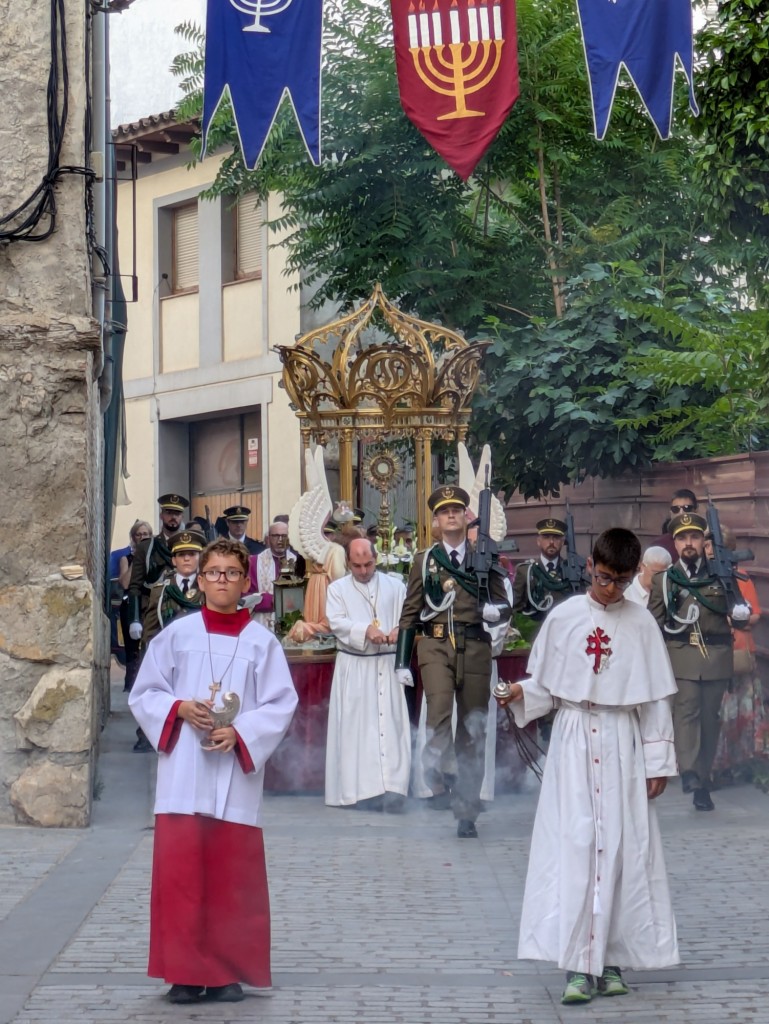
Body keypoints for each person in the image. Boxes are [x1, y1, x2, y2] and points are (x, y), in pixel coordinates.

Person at [496, 528, 679, 1005]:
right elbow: (549, 685)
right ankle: (578, 964)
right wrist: (521, 694)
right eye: (602, 578)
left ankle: (613, 958)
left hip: (622, 740)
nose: (610, 590)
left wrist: (657, 760)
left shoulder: (641, 625)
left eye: (620, 582)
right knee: (575, 845)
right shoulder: (565, 617)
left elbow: (655, 701)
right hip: (575, 739)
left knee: (621, 850)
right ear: (590, 567)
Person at [128, 538, 298, 1006]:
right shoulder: (177, 636)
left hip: (234, 781)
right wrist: (179, 706)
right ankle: (184, 973)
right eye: (213, 572)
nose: (221, 580)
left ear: (246, 582)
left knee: (229, 879)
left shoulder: (262, 643)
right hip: (183, 774)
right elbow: (144, 693)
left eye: (231, 573)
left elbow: (281, 702)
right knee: (182, 878)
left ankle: (226, 973)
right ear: (200, 580)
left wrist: (240, 734)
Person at [396, 485, 511, 839]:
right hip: (435, 644)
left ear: (466, 518)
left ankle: (467, 812)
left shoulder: (485, 557)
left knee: (473, 729)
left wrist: (495, 610)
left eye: (457, 510)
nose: (450, 515)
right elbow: (410, 613)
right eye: (444, 511)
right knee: (439, 711)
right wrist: (402, 661)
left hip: (475, 644)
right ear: (434, 521)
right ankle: (442, 771)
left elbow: (505, 604)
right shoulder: (424, 560)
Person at [648, 512, 751, 811]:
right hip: (681, 655)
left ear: (703, 541)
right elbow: (653, 622)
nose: (688, 543)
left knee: (709, 720)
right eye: (682, 538)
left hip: (716, 655)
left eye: (693, 537)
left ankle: (702, 782)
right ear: (675, 543)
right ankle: (690, 772)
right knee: (687, 711)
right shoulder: (665, 580)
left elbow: (739, 615)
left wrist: (741, 616)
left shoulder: (721, 572)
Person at [324, 538, 410, 810]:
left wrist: (399, 630)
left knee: (391, 726)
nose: (363, 571)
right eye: (357, 566)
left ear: (377, 559)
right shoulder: (337, 589)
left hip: (387, 662)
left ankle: (393, 789)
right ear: (348, 563)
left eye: (368, 564)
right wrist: (364, 630)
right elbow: (336, 622)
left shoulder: (396, 586)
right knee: (357, 730)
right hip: (355, 666)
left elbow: (409, 617)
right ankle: (358, 791)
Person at [706, 529, 767, 781]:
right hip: (711, 655)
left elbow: (754, 614)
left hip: (739, 652)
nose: (706, 549)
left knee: (737, 712)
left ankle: (734, 764)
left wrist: (734, 621)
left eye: (711, 545)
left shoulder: (741, 578)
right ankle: (713, 766)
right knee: (716, 712)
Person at [126, 494, 189, 645]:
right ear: (161, 515)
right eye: (169, 513)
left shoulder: (190, 548)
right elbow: (135, 586)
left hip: (183, 610)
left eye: (177, 513)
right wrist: (135, 619)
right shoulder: (146, 547)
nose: (173, 517)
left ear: (182, 516)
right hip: (152, 612)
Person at [513, 518, 583, 636]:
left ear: (562, 541)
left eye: (556, 538)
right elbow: (516, 608)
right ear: (538, 541)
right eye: (546, 537)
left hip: (565, 633)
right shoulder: (526, 571)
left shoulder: (572, 572)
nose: (551, 542)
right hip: (535, 634)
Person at [142, 530, 206, 644]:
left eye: (192, 554)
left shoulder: (207, 588)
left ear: (200, 558)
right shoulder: (160, 591)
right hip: (169, 654)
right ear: (174, 560)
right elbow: (150, 633)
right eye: (181, 554)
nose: (186, 559)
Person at [246, 520, 306, 628]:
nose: (280, 540)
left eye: (284, 536)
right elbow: (245, 598)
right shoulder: (254, 562)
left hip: (293, 623)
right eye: (276, 536)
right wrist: (271, 601)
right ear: (268, 539)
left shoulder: (299, 562)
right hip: (262, 625)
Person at [118, 520, 153, 690]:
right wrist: (137, 558)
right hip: (131, 604)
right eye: (138, 534)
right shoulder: (126, 558)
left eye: (145, 534)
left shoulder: (154, 555)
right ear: (133, 537)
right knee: (132, 646)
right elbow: (125, 583)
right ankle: (131, 684)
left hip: (149, 603)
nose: (142, 537)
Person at [651, 489, 699, 561]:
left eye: (687, 508)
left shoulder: (706, 542)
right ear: (671, 513)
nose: (681, 513)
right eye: (676, 509)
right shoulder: (659, 545)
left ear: (696, 511)